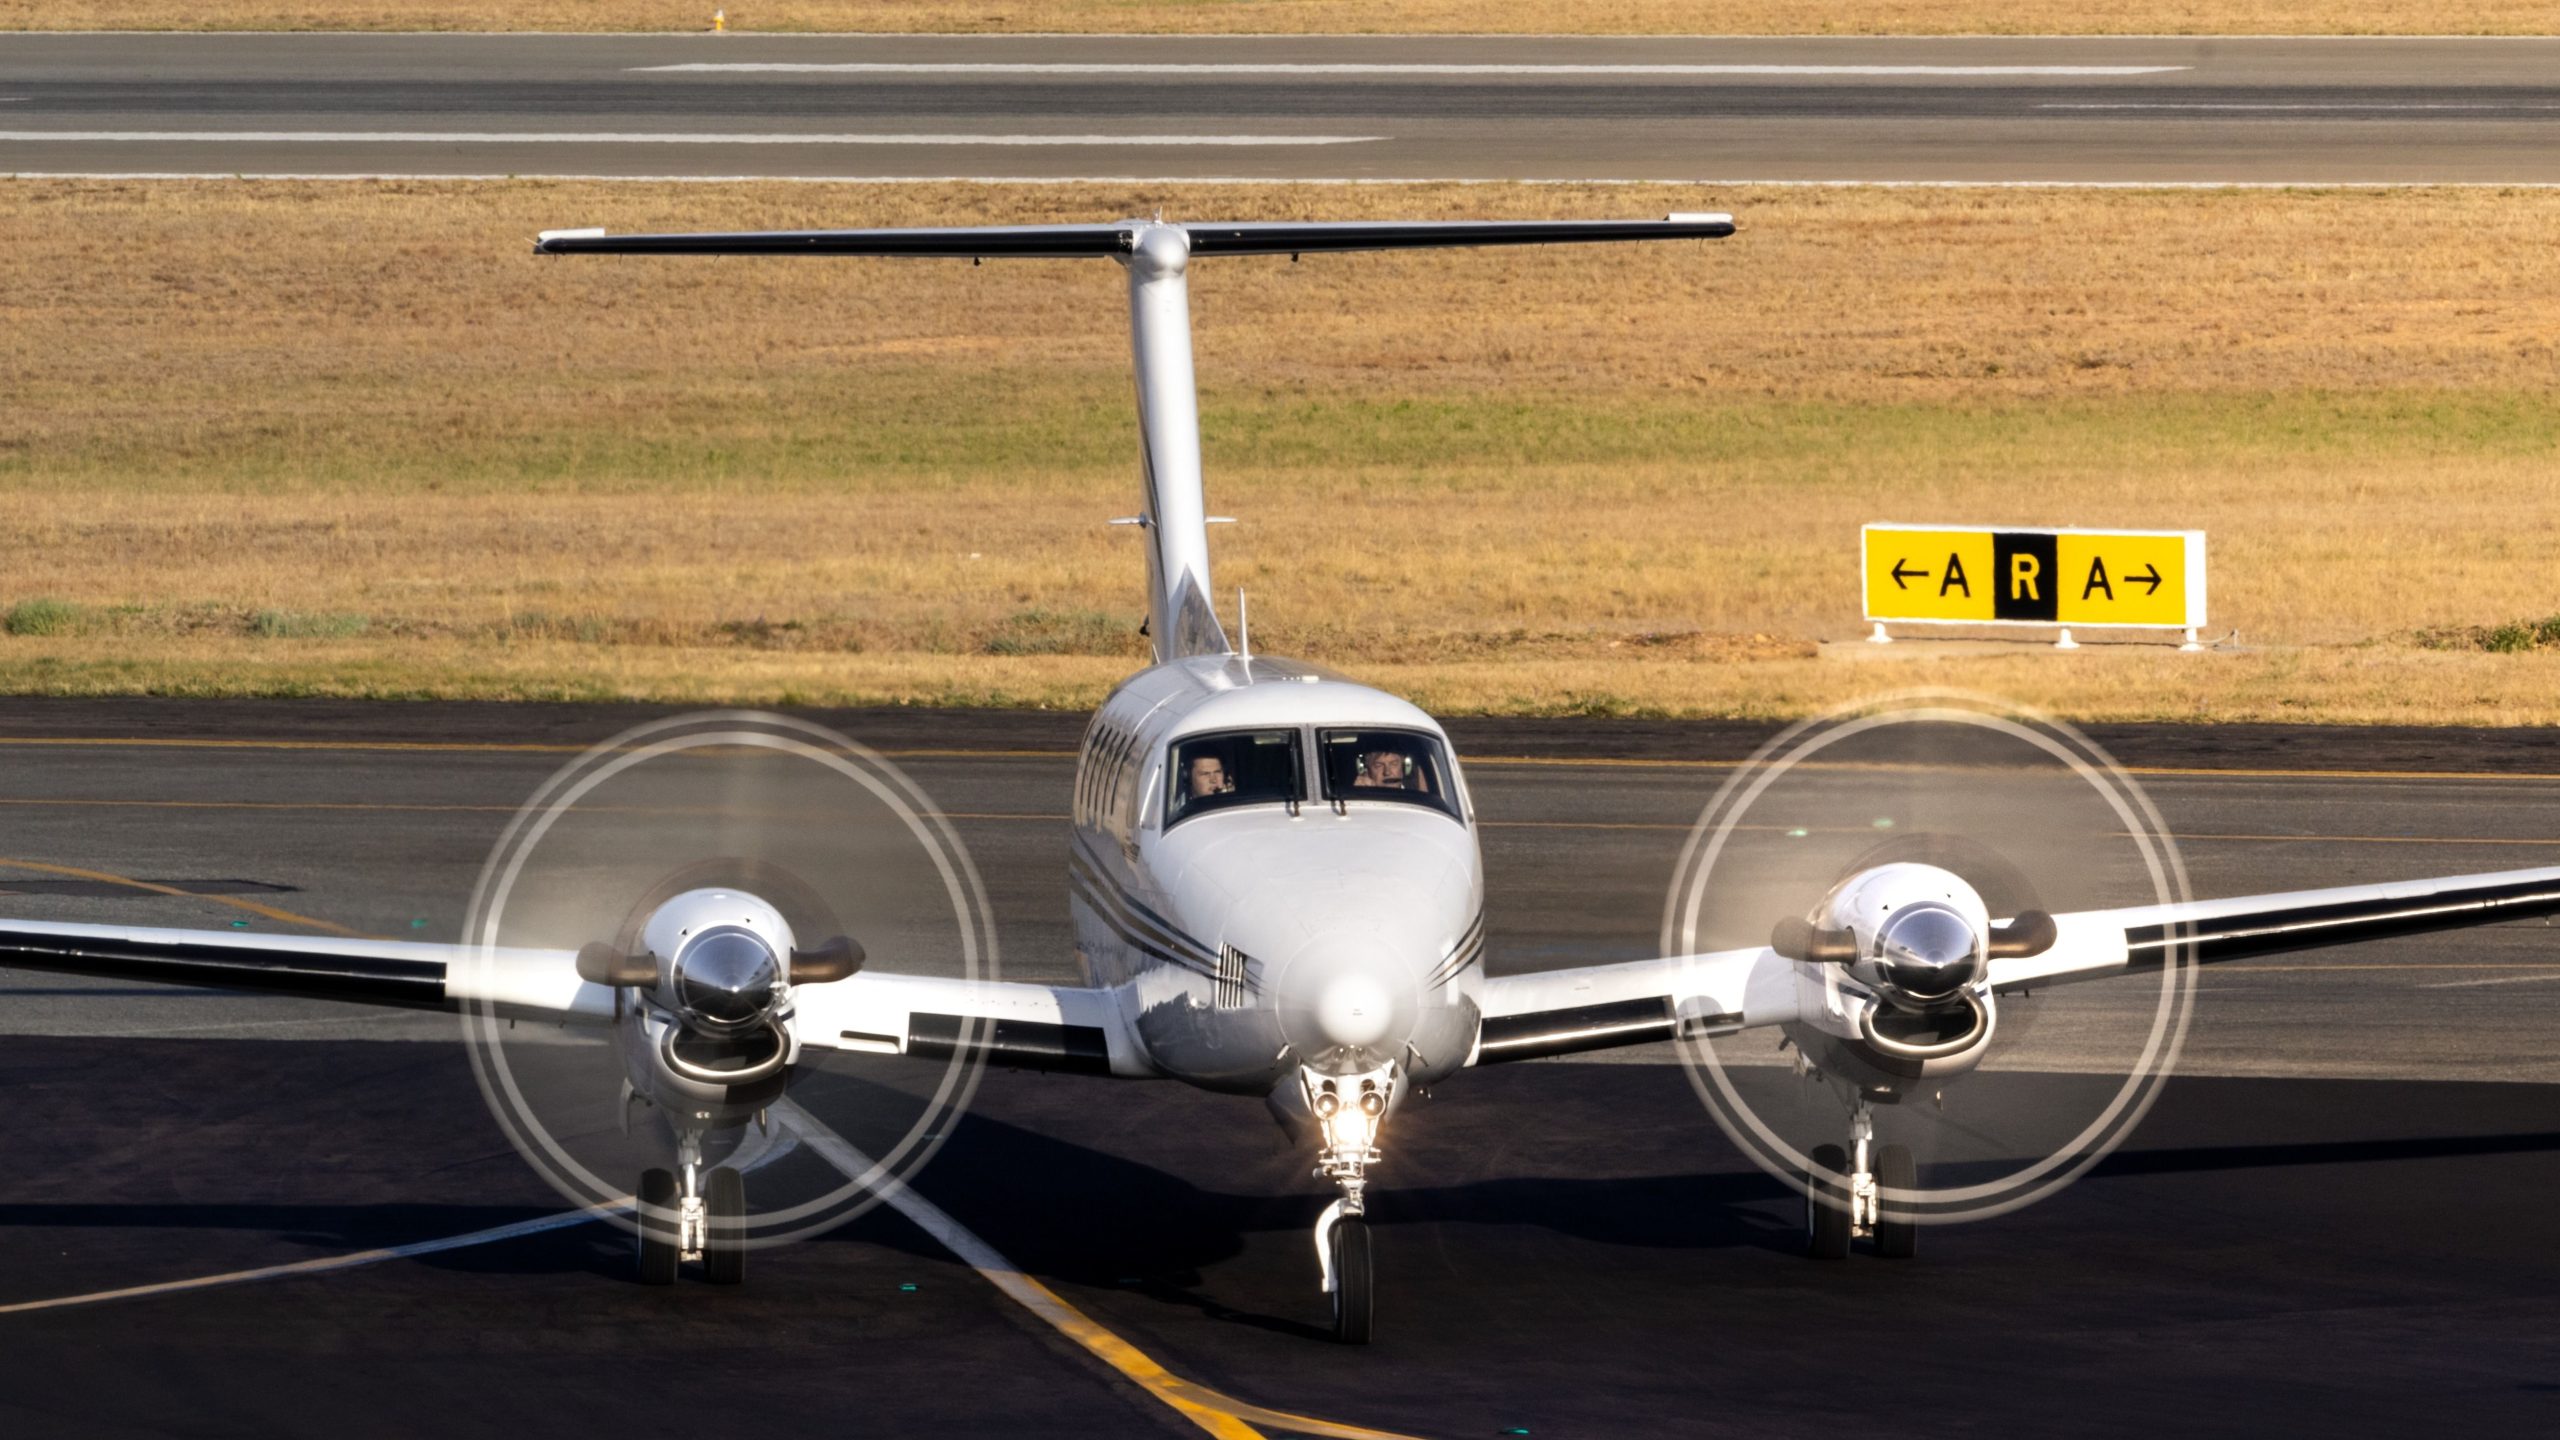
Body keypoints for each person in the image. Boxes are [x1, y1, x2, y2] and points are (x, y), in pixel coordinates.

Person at [1352, 747, 1423, 791]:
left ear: (1404, 767)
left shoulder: (1416, 796)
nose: (1387, 772)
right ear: (1367, 769)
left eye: (1394, 764)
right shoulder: (1361, 799)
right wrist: (1360, 792)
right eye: (1379, 765)